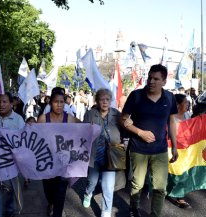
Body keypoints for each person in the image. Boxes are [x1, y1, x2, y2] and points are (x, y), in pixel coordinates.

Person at [120, 64, 178, 217]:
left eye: (156, 79)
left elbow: (172, 122)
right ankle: (133, 209)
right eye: (150, 77)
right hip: (138, 149)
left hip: (160, 150)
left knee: (160, 187)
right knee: (137, 184)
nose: (151, 81)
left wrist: (175, 147)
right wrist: (140, 132)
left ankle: (155, 214)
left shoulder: (170, 98)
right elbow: (123, 119)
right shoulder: (136, 95)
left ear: (164, 82)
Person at [37, 87, 80, 217]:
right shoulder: (43, 119)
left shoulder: (70, 119)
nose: (59, 105)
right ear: (51, 103)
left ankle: (57, 210)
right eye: (56, 102)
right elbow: (34, 137)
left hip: (63, 164)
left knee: (60, 193)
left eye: (62, 102)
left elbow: (83, 129)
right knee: (48, 191)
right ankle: (51, 203)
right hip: (47, 162)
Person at [82, 88, 122, 217]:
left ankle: (105, 213)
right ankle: (88, 193)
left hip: (111, 156)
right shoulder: (89, 114)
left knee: (108, 187)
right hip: (94, 156)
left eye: (107, 99)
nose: (104, 102)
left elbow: (125, 130)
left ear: (110, 101)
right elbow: (82, 133)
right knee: (91, 181)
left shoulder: (117, 115)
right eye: (101, 99)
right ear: (97, 101)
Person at [166, 94, 191, 208]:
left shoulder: (187, 115)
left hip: (185, 149)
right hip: (172, 148)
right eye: (185, 102)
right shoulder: (170, 118)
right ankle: (169, 192)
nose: (187, 104)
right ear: (178, 104)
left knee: (182, 173)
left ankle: (180, 196)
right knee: (173, 172)